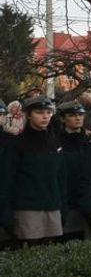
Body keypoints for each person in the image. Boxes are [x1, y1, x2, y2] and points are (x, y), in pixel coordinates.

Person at [3, 96, 67, 244]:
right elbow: (6, 179)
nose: (45, 116)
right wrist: (6, 215)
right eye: (39, 112)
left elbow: (61, 177)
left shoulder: (54, 142)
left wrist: (63, 208)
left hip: (53, 207)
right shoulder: (16, 144)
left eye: (48, 112)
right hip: (27, 209)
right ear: (28, 115)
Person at [56, 99, 91, 238]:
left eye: (80, 114)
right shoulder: (56, 143)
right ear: (63, 118)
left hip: (88, 202)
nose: (78, 118)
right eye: (72, 115)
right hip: (66, 201)